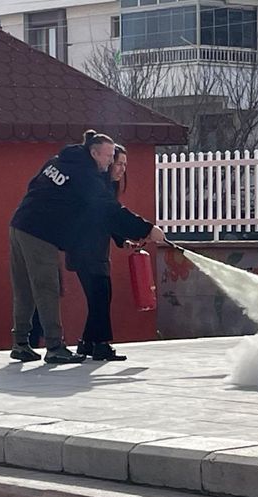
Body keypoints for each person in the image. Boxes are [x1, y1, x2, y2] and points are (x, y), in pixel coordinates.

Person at [9, 131, 165, 364]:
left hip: (19, 224)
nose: (111, 162)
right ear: (93, 152)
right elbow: (108, 210)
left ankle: (20, 344)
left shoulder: (58, 161)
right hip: (41, 233)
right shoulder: (85, 175)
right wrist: (146, 229)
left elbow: (34, 185)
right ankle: (54, 347)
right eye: (109, 156)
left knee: (24, 289)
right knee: (47, 289)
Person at [67, 144, 157, 361]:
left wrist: (121, 239)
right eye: (118, 163)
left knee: (99, 297)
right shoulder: (98, 187)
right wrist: (147, 229)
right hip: (87, 250)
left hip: (91, 250)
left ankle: (88, 343)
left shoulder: (105, 188)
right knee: (101, 296)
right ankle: (101, 345)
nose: (121, 169)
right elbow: (110, 214)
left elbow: (107, 220)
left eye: (125, 164)